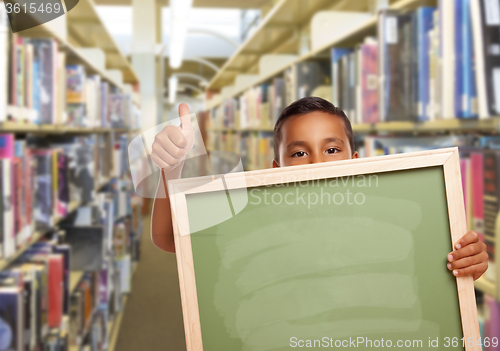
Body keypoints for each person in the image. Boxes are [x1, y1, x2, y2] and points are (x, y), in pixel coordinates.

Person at [150, 97, 488, 281]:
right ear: (275, 169)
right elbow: (167, 238)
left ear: (355, 161)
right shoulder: (249, 218)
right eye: (299, 153)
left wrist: (467, 264)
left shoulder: (396, 224)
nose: (316, 164)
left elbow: (438, 272)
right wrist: (171, 168)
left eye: (331, 149)